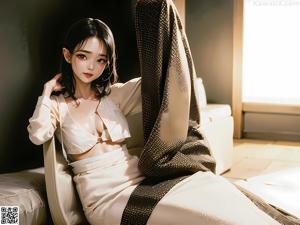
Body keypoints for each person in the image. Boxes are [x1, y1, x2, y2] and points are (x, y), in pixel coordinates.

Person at [28, 18, 281, 225]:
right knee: (204, 216)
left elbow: (159, 78)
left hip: (142, 180)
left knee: (212, 188)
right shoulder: (56, 105)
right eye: (84, 56)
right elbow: (38, 134)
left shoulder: (114, 95)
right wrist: (48, 90)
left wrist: (164, 24)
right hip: (106, 199)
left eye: (101, 59)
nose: (91, 66)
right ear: (67, 54)